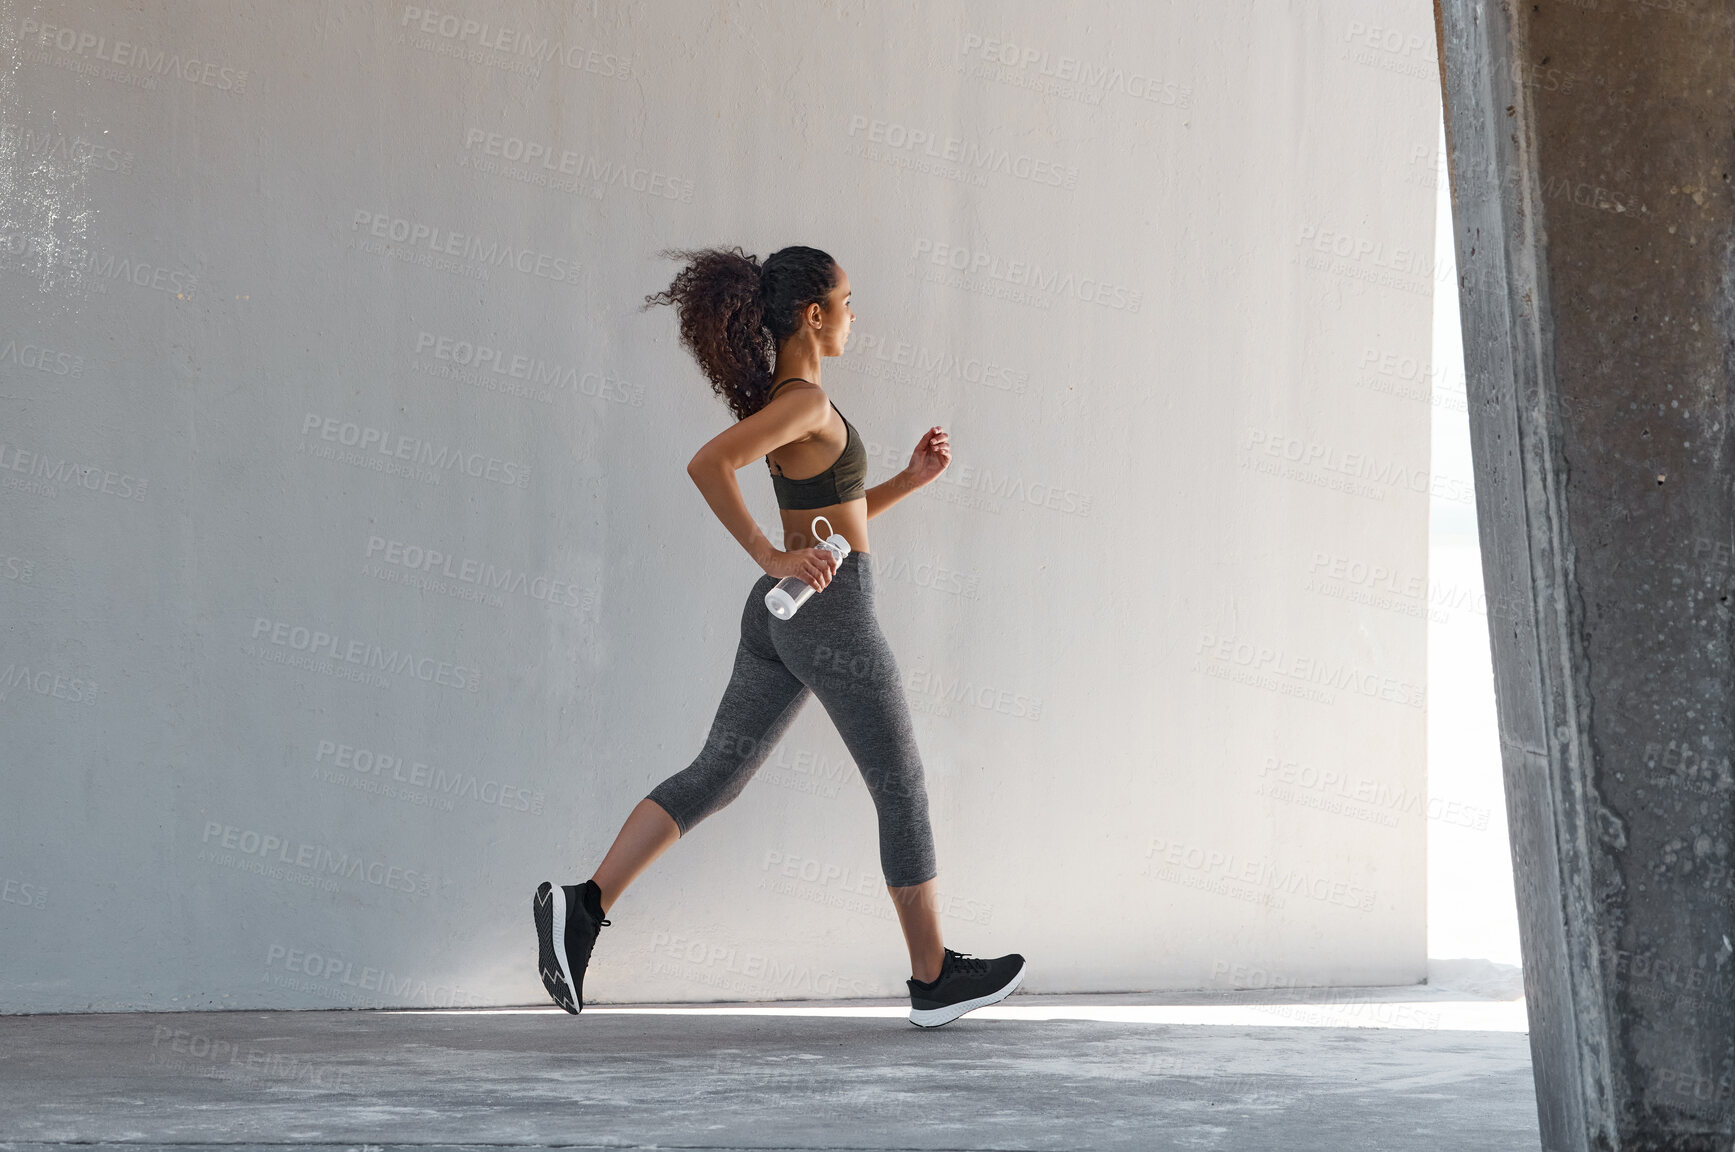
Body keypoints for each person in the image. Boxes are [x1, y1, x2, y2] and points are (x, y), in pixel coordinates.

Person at [533, 245, 1025, 1028]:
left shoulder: (798, 400)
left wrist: (904, 481)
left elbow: (830, 524)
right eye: (848, 301)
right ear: (813, 314)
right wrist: (768, 552)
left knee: (718, 776)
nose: (856, 316)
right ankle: (933, 980)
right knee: (899, 787)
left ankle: (583, 904)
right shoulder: (799, 401)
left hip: (787, 606)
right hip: (827, 611)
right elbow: (708, 465)